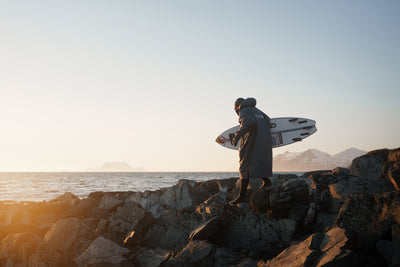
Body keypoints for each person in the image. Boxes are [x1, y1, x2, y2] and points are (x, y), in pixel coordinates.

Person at [229, 97, 273, 205]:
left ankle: (241, 196)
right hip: (263, 141)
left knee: (244, 166)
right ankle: (267, 183)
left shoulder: (244, 110)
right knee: (256, 163)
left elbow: (247, 124)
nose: (237, 112)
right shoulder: (258, 111)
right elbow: (268, 120)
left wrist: (236, 137)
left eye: (236, 110)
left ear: (237, 107)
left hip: (251, 142)